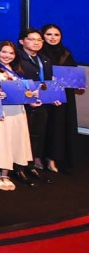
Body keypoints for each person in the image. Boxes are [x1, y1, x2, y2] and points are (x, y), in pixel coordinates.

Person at [0, 40, 33, 191]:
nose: (7, 55)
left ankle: (5, 174)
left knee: (13, 141)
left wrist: (33, 99)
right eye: (4, 52)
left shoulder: (17, 70)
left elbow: (26, 92)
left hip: (17, 111)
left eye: (11, 53)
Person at [41, 24, 82, 172]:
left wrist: (78, 83)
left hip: (65, 95)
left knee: (61, 125)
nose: (53, 38)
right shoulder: (39, 53)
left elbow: (73, 72)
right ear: (43, 36)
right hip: (45, 95)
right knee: (47, 126)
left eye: (56, 35)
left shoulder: (65, 52)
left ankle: (55, 158)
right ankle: (41, 158)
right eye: (49, 34)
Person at [16, 28, 54, 184]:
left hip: (41, 104)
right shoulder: (16, 58)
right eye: (32, 39)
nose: (36, 42)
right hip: (23, 104)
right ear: (22, 41)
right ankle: (18, 167)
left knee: (36, 135)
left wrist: (54, 96)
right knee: (21, 136)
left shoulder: (45, 60)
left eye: (39, 40)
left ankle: (30, 165)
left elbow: (49, 83)